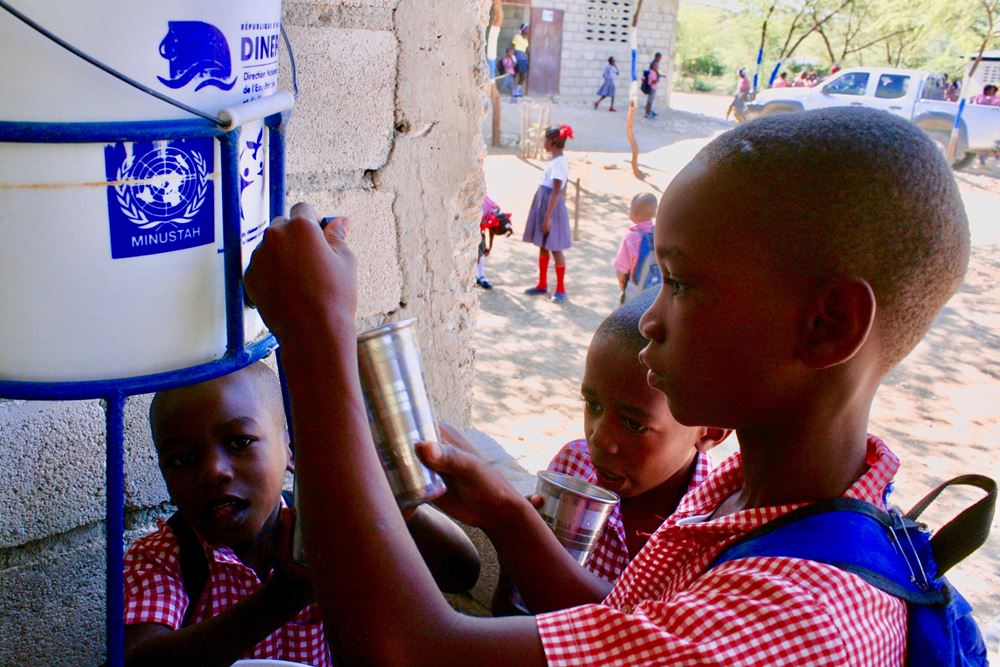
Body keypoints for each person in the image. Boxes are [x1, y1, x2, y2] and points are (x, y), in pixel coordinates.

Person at [243, 106, 972, 665]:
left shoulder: (795, 618)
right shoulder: (759, 496)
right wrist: (509, 515)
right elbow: (630, 626)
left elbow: (406, 650)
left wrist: (316, 337)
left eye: (681, 282)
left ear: (826, 326)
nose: (649, 319)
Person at [123, 363, 480, 666]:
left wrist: (400, 509)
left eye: (239, 442)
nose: (214, 471)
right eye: (182, 460)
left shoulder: (329, 528)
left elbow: (459, 572)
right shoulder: (163, 558)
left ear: (291, 452)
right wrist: (286, 595)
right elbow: (141, 660)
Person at [493, 287, 729, 615]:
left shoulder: (713, 526)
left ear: (711, 429)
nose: (599, 439)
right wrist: (516, 549)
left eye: (633, 424)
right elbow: (515, 613)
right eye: (592, 404)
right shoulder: (573, 469)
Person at [522, 125, 573, 303]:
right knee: (543, 245)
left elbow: (557, 191)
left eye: (545, 140)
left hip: (551, 209)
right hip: (545, 205)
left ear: (552, 142)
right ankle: (542, 284)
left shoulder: (560, 164)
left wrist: (548, 217)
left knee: (555, 248)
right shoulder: (554, 161)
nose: (544, 143)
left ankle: (560, 289)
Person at [613, 192, 658, 301]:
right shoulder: (659, 233)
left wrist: (624, 289)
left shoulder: (631, 238)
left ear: (635, 213)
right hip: (657, 292)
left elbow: (621, 271)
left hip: (636, 291)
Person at [512, 23, 530, 98]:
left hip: (523, 58)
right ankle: (513, 91)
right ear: (522, 29)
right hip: (517, 56)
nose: (528, 30)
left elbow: (526, 50)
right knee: (514, 74)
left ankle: (516, 91)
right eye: (527, 28)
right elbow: (513, 47)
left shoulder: (526, 40)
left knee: (523, 75)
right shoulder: (517, 37)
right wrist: (513, 58)